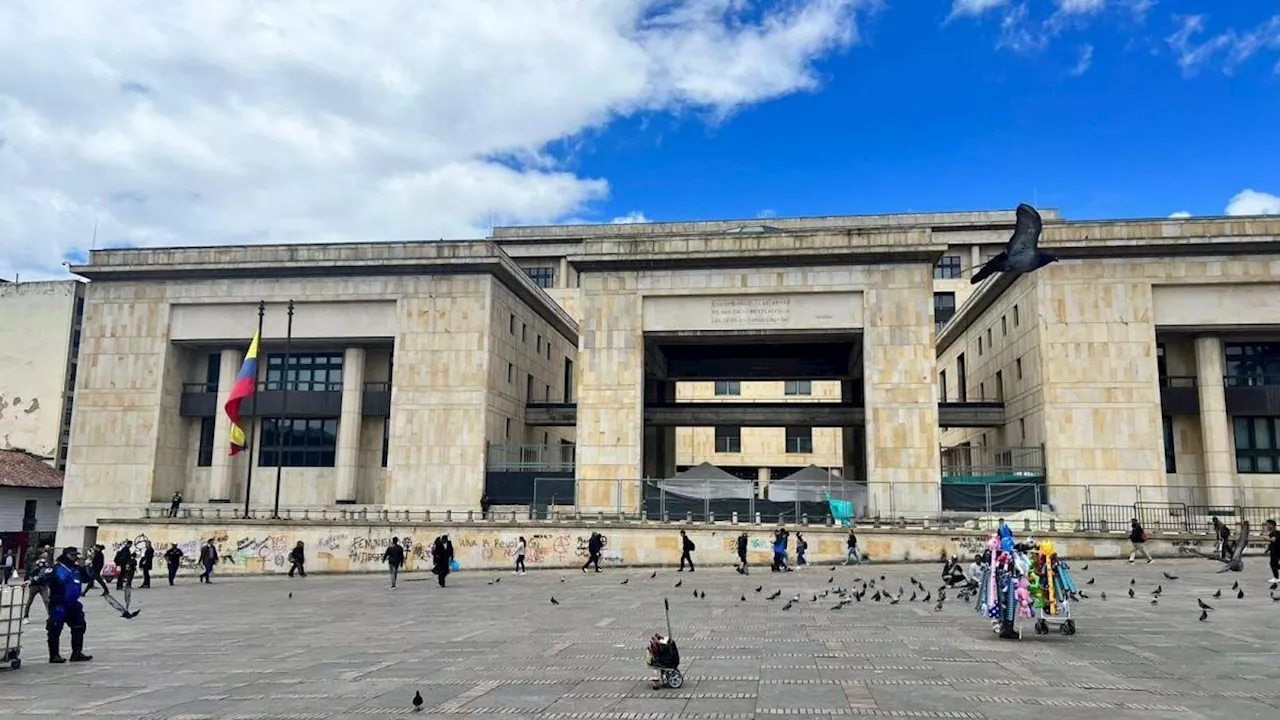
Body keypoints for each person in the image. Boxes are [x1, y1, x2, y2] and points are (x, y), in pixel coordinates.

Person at [45, 546, 93, 663]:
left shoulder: (76, 569)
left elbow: (87, 579)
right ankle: (54, 655)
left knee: (79, 626)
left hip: (73, 603)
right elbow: (43, 577)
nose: (74, 558)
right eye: (72, 555)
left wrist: (83, 567)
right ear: (66, 555)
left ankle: (76, 653)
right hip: (59, 603)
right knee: (55, 628)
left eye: (76, 555)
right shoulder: (56, 568)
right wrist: (32, 580)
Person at [1267, 519, 1279, 587]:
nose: (1267, 527)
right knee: (1274, 564)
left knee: (1273, 564)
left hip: (1276, 551)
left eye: (1268, 525)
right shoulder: (1276, 532)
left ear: (1272, 525)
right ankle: (1276, 577)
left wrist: (1265, 539)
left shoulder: (1273, 533)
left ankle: (1276, 578)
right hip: (1275, 550)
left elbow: (1273, 540)